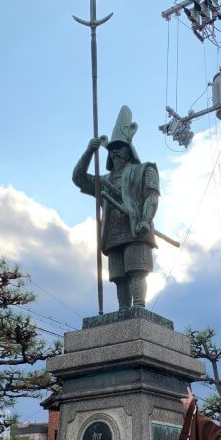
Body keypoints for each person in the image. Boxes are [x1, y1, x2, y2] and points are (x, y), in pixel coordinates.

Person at [72, 105, 159, 311]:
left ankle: (138, 306)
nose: (114, 152)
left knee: (136, 270)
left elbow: (151, 197)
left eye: (118, 147)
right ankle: (123, 311)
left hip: (136, 227)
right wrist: (88, 153)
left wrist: (146, 219)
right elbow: (79, 179)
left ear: (129, 150)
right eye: (111, 149)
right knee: (119, 276)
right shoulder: (105, 180)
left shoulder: (144, 170)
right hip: (112, 232)